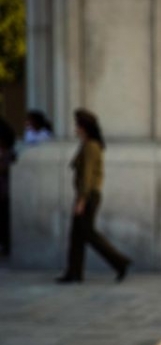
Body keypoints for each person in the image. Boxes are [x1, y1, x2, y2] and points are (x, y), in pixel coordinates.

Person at [56, 109, 132, 283]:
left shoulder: (91, 146)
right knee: (77, 236)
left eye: (78, 125)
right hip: (87, 195)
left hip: (88, 196)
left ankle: (120, 262)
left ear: (84, 127)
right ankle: (74, 272)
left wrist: (81, 200)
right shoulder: (88, 145)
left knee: (88, 234)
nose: (75, 129)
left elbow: (87, 176)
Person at [0, 117, 17, 256]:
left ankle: (6, 245)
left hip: (4, 192)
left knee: (5, 221)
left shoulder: (9, 153)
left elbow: (5, 169)